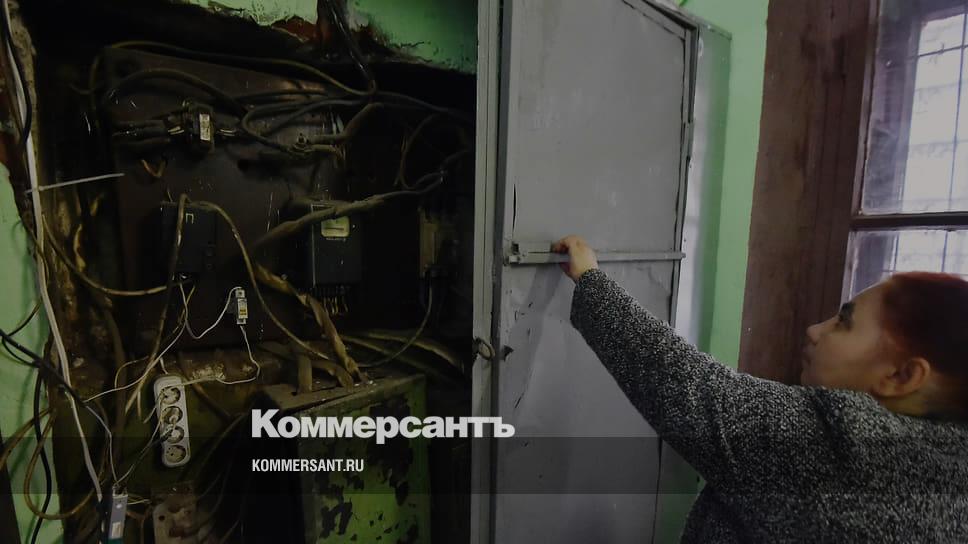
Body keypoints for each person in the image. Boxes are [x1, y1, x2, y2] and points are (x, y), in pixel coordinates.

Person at [551, 235, 968, 543]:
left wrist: (591, 280)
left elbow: (691, 390)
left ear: (902, 377)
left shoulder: (852, 452)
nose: (816, 330)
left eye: (843, 323)